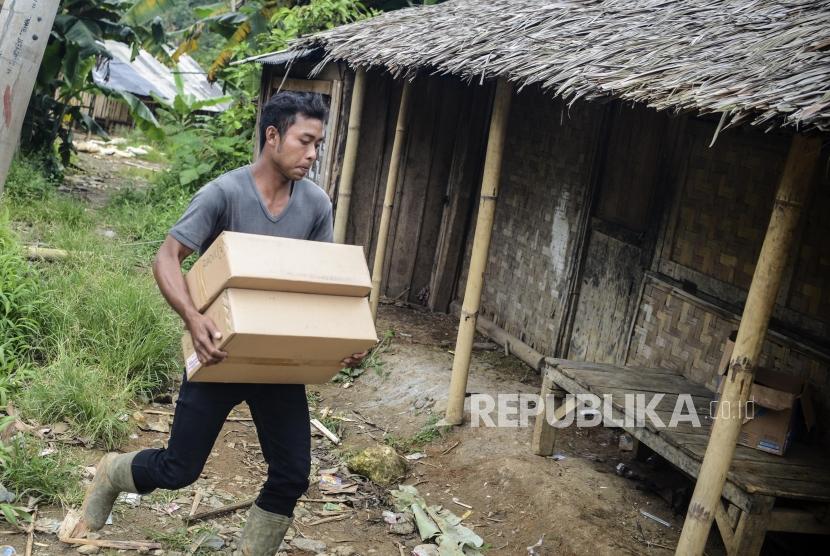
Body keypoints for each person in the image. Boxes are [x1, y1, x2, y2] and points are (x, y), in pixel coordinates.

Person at [76, 91, 367, 555]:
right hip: (219, 352)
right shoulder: (224, 193)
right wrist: (193, 320)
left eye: (319, 144)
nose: (313, 155)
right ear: (273, 136)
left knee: (292, 474)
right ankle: (113, 471)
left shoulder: (316, 205)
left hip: (278, 363)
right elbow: (167, 257)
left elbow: (321, 287)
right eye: (305, 141)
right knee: (179, 471)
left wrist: (340, 345)